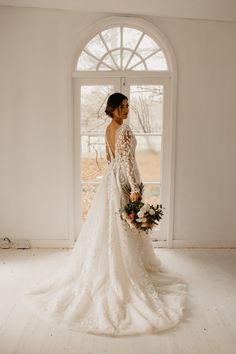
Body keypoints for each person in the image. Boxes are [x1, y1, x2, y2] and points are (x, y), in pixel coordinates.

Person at [22, 93, 188, 336]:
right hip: (121, 181)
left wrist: (117, 177)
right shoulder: (125, 131)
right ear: (113, 109)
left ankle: (112, 266)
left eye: (128, 106)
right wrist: (133, 189)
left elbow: (111, 159)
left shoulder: (108, 129)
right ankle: (123, 271)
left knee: (112, 224)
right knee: (121, 224)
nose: (127, 110)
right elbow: (128, 162)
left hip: (111, 179)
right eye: (123, 107)